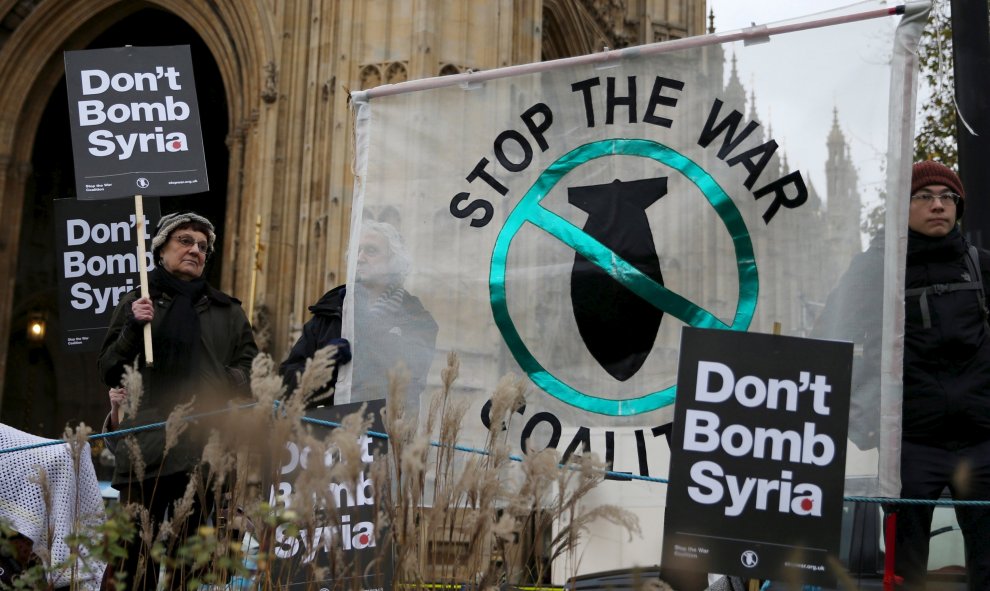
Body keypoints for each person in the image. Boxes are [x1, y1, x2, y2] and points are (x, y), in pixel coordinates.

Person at [98, 212, 258, 590]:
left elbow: (252, 374)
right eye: (185, 240)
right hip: (147, 449)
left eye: (202, 246)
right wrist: (133, 328)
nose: (195, 250)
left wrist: (218, 379)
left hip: (206, 448)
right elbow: (108, 368)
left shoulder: (228, 312)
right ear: (160, 249)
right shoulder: (138, 301)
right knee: (134, 562)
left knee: (193, 566)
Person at [892, 161, 990, 591]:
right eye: (924, 196)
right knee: (905, 571)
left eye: (947, 197)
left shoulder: (981, 266)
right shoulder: (879, 272)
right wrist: (867, 425)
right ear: (904, 206)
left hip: (981, 442)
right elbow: (840, 342)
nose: (938, 206)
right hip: (911, 447)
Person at [281, 220, 437, 416]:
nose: (360, 258)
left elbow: (409, 385)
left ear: (394, 262)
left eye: (371, 251)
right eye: (357, 250)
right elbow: (287, 378)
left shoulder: (416, 320)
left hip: (381, 432)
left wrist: (364, 325)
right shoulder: (331, 310)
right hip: (324, 428)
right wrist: (322, 365)